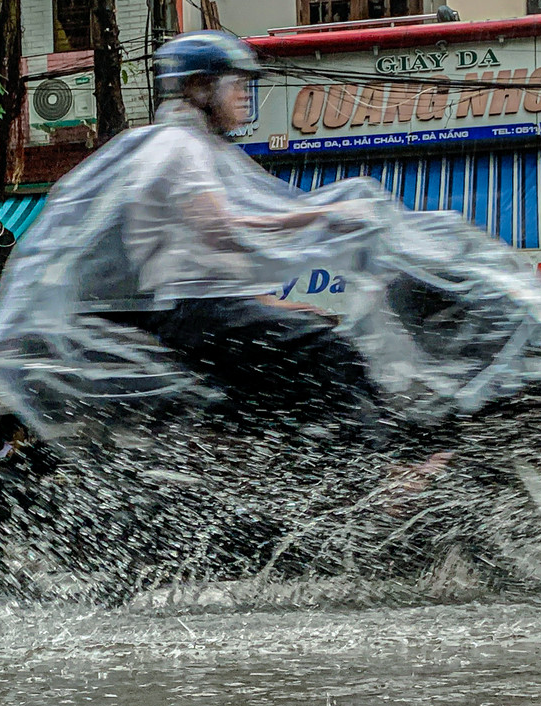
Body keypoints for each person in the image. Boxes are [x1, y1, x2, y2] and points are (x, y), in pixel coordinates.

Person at [106, 32, 385, 441]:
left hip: (204, 310)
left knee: (290, 394)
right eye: (234, 84)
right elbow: (221, 231)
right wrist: (323, 218)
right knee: (334, 353)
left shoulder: (192, 144)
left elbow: (203, 256)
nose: (244, 96)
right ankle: (388, 471)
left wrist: (274, 303)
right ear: (200, 87)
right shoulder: (181, 147)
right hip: (198, 315)